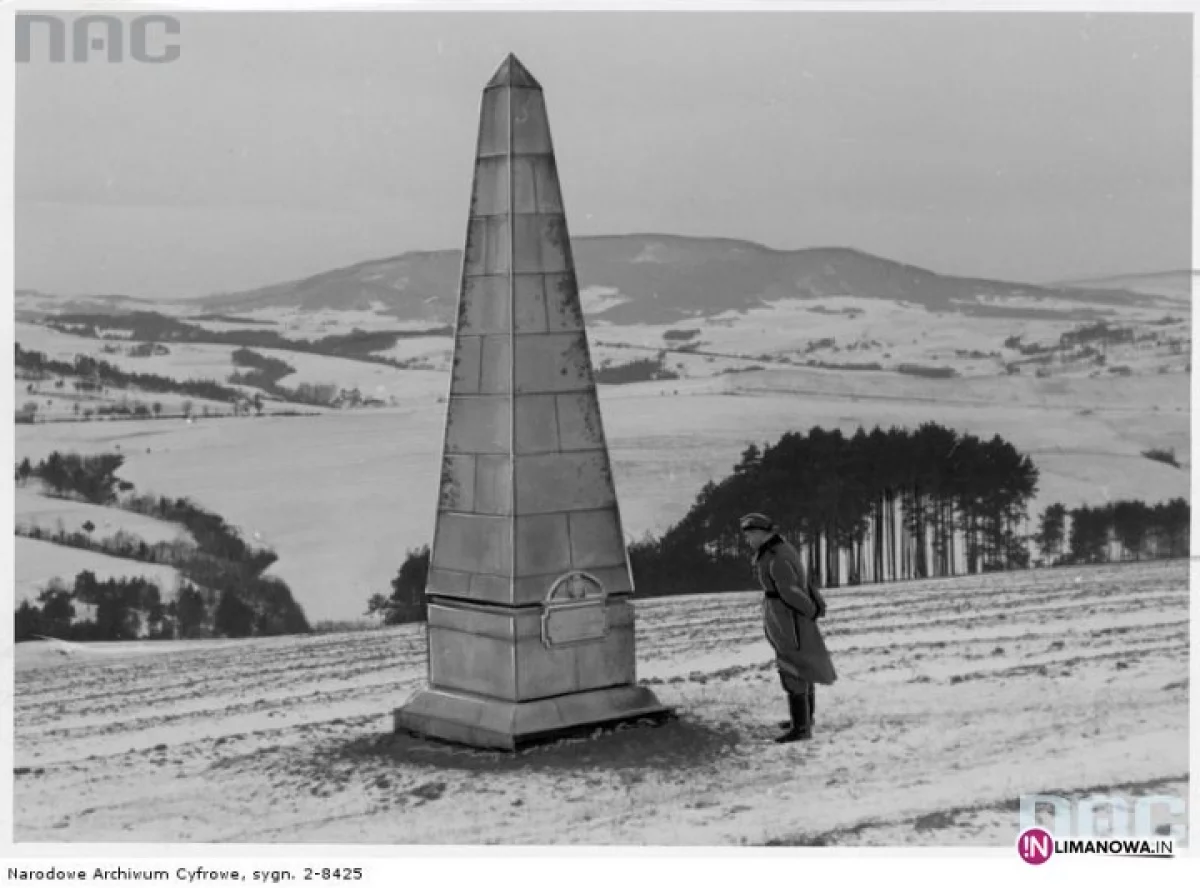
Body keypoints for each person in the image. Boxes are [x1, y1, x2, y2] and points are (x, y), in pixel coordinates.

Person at [740, 512, 837, 743]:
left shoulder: (776, 556)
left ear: (762, 534)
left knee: (792, 667)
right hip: (790, 617)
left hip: (788, 619)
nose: (748, 540)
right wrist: (813, 608)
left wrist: (810, 610)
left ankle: (801, 728)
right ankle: (804, 720)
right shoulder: (781, 550)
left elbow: (791, 591)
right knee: (802, 665)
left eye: (751, 535)